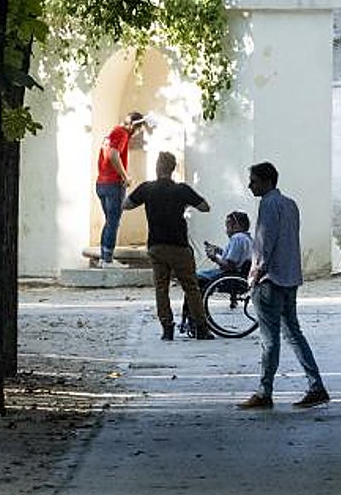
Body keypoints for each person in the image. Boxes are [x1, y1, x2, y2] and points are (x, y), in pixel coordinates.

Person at [238, 162, 329, 410]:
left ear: (267, 182)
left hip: (270, 280)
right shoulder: (290, 204)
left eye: (254, 181)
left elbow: (264, 242)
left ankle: (264, 392)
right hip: (289, 277)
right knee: (294, 334)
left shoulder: (268, 204)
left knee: (270, 340)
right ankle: (316, 386)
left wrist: (255, 274)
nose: (250, 186)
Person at [123, 151, 212, 341]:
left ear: (157, 167)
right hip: (179, 245)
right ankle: (201, 327)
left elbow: (126, 205)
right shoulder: (181, 190)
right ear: (173, 169)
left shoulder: (147, 188)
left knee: (161, 288)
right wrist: (185, 205)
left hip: (156, 245)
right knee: (191, 287)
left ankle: (167, 327)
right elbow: (205, 207)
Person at [94, 111, 146, 268]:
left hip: (101, 183)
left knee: (110, 222)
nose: (138, 133)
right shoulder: (122, 133)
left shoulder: (113, 133)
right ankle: (107, 260)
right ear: (134, 126)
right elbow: (113, 155)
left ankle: (104, 257)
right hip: (113, 184)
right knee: (113, 222)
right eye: (139, 129)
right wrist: (125, 176)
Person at [199, 211, 253, 284]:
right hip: (240, 275)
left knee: (196, 276)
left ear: (236, 226)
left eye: (228, 227)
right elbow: (237, 258)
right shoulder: (248, 239)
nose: (226, 231)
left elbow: (229, 266)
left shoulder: (237, 238)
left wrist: (214, 257)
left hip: (228, 276)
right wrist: (220, 251)